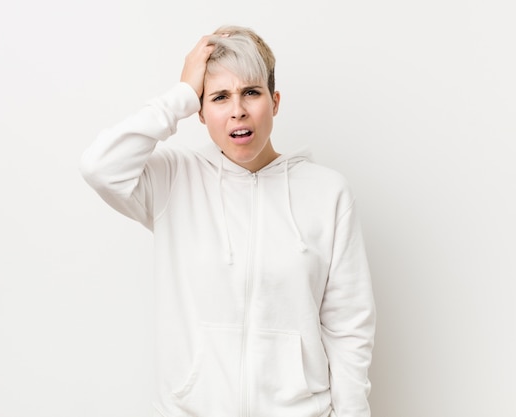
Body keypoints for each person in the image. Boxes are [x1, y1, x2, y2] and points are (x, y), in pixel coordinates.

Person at [80, 25, 376, 417]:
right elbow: (99, 167)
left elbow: (349, 328)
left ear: (274, 101)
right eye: (220, 97)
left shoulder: (327, 193)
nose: (237, 109)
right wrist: (180, 96)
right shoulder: (173, 180)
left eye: (251, 92)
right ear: (201, 113)